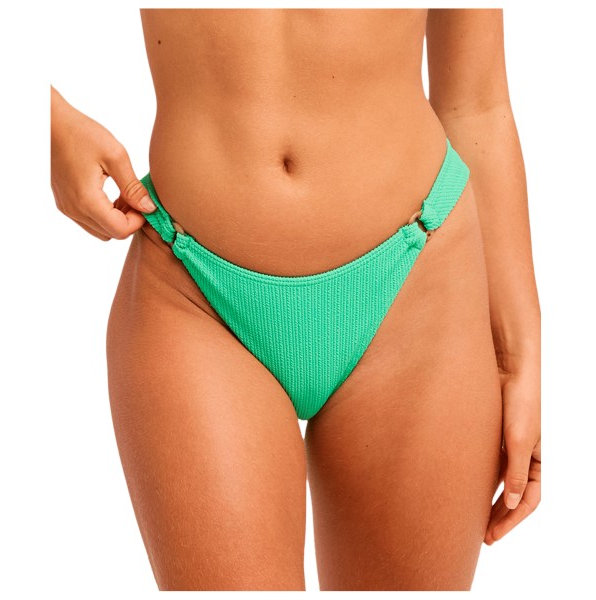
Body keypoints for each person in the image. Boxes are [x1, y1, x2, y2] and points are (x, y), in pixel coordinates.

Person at [50, 8, 541, 592]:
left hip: (418, 287)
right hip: (194, 295)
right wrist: (46, 121)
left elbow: (474, 102)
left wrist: (518, 353)